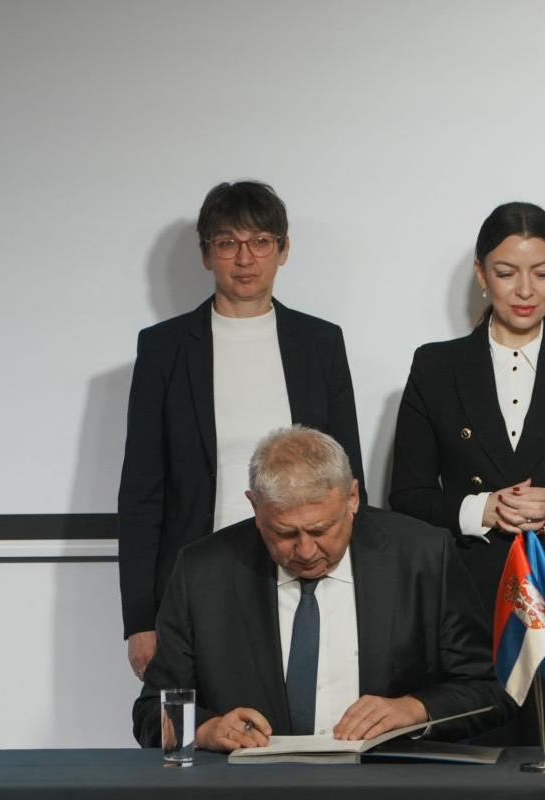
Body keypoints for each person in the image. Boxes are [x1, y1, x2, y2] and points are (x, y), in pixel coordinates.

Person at [390, 201, 545, 744]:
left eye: (542, 273)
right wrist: (482, 509)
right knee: (471, 765)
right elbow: (406, 496)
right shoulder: (435, 366)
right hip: (466, 601)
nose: (525, 290)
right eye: (506, 273)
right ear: (481, 275)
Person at [118, 180, 367, 682]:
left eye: (261, 242)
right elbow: (142, 490)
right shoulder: (164, 349)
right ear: (206, 254)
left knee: (302, 704)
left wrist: (359, 581)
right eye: (228, 243)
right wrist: (141, 618)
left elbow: (347, 474)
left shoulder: (320, 343)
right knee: (206, 714)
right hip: (199, 569)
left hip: (301, 564)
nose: (245, 258)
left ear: (283, 249)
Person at [133, 426, 512, 749]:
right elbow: (151, 712)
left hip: (386, 784)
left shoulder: (422, 556)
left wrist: (412, 709)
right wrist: (206, 730)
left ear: (353, 498)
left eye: (321, 530)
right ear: (255, 507)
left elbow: (490, 691)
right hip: (254, 788)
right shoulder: (203, 571)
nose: (305, 551)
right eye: (284, 533)